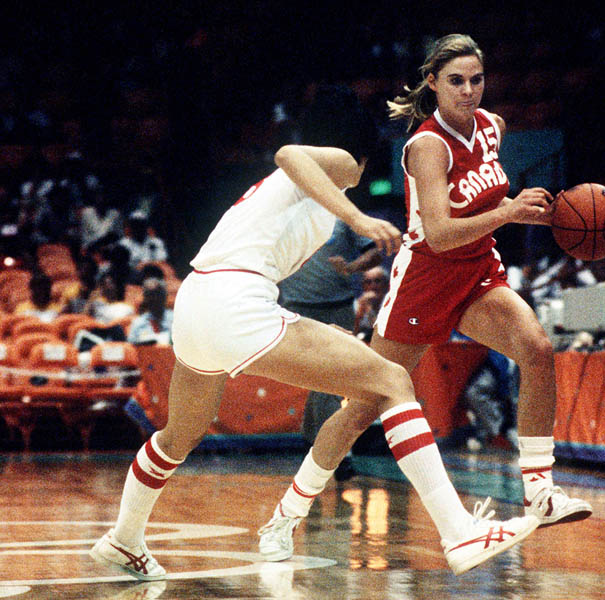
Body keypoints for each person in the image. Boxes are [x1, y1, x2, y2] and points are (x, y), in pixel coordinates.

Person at [89, 85, 538, 582]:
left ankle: (124, 539)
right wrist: (357, 216)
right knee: (391, 380)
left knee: (180, 434)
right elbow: (288, 152)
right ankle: (458, 532)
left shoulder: (290, 193)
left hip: (197, 303)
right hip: (236, 300)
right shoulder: (342, 164)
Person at [272, 34, 592, 551]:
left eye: (476, 80)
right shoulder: (426, 145)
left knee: (537, 349)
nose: (468, 91)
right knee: (361, 407)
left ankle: (540, 491)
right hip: (425, 279)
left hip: (478, 273)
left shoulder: (493, 128)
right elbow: (440, 233)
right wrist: (508, 211)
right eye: (456, 81)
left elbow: (482, 195)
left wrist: (524, 205)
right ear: (433, 84)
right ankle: (288, 511)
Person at [279, 217, 382, 480]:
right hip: (297, 309)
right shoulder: (283, 213)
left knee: (330, 379)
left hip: (339, 306)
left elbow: (375, 251)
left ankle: (331, 451)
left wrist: (351, 267)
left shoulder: (341, 212)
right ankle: (319, 441)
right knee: (322, 378)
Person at [127, 277, 173, 345]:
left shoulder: (176, 320)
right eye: (150, 295)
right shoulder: (138, 323)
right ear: (145, 298)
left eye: (158, 294)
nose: (154, 299)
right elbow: (130, 346)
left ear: (164, 296)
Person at [353, 265, 389, 342]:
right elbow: (350, 335)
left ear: (386, 285)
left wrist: (370, 312)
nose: (373, 286)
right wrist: (360, 313)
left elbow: (383, 336)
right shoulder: (357, 305)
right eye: (368, 282)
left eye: (377, 281)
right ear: (363, 286)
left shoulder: (392, 305)